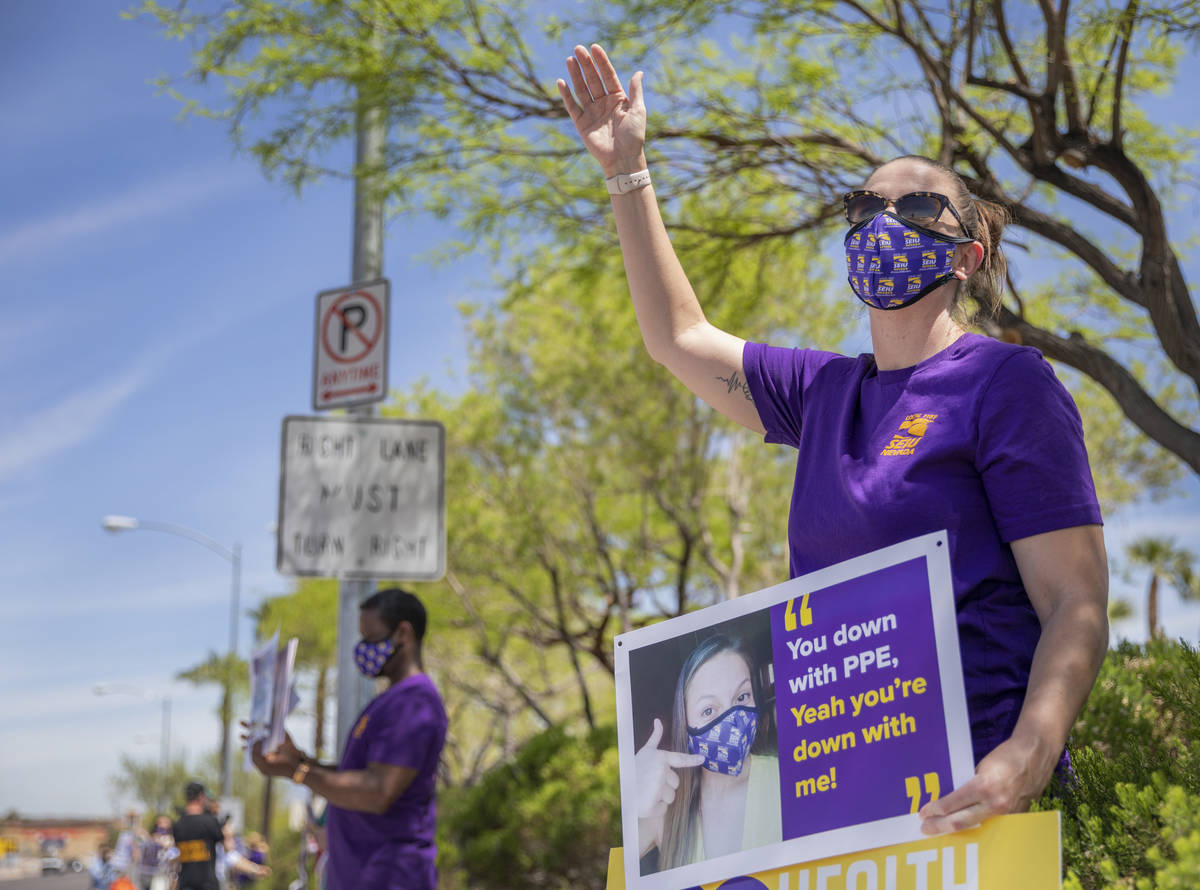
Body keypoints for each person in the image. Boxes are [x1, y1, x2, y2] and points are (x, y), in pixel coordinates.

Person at [557, 44, 1110, 837]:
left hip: (977, 801)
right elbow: (677, 335)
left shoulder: (1008, 384)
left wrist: (1028, 752)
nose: (884, 222)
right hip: (841, 809)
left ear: (966, 257)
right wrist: (626, 169)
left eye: (916, 209)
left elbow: (1075, 601)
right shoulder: (822, 392)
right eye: (864, 206)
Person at [249, 588, 448, 890]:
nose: (363, 649)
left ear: (403, 633)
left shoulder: (415, 701)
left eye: (370, 638)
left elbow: (377, 791)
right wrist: (297, 761)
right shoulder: (388, 701)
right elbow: (353, 777)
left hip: (390, 879)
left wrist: (298, 772)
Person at [636, 634, 780, 872]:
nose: (732, 720)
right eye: (709, 710)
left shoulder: (785, 778)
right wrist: (633, 804)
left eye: (742, 697)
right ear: (686, 725)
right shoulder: (663, 808)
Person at [172, 782, 223, 890]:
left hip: (185, 884)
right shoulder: (210, 822)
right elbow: (228, 847)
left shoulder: (178, 825)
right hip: (207, 885)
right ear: (201, 796)